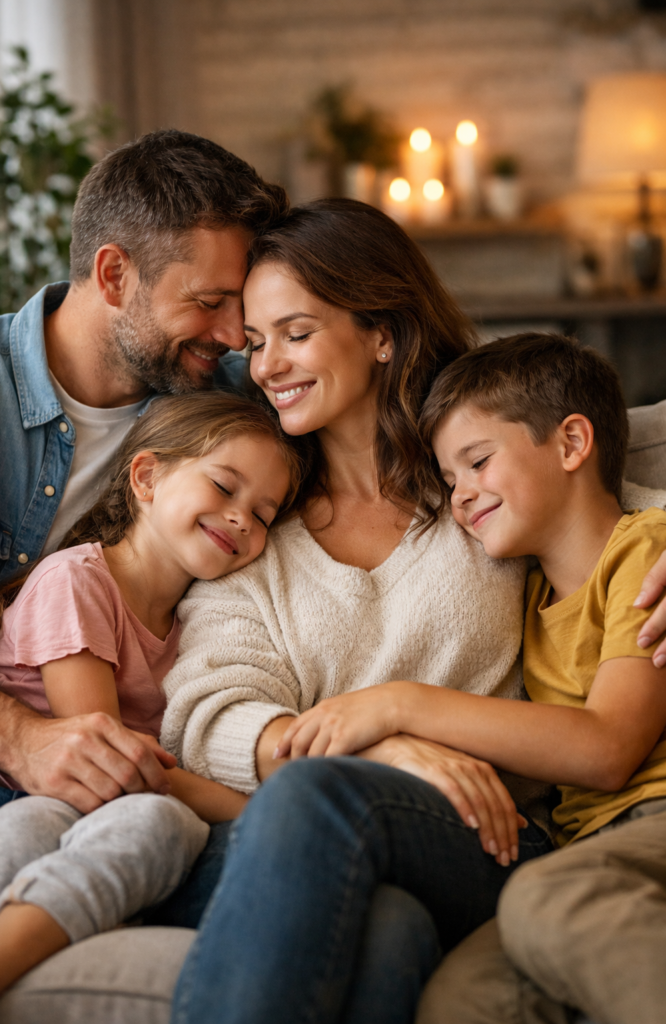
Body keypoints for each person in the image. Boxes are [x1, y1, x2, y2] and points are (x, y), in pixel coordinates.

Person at [159, 200, 556, 1024]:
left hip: (491, 838)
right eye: (257, 341)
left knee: (312, 794)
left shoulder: (480, 473)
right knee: (387, 933)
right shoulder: (254, 523)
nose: (267, 365)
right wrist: (384, 740)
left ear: (381, 331)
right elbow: (205, 716)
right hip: (329, 858)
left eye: (295, 333)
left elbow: (610, 502)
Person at [291, 331, 666, 1024]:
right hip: (587, 849)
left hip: (650, 822)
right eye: (449, 478)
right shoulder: (524, 596)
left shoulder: (645, 550)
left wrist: (399, 706)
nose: (461, 496)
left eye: (477, 462)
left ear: (571, 443)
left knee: (544, 899)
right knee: (465, 996)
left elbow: (605, 747)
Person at [0, 127, 288, 818]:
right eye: (210, 302)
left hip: (147, 790)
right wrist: (22, 738)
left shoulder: (230, 405)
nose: (235, 334)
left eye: (240, 307)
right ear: (115, 273)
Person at [0, 390, 299, 1009]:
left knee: (155, 824)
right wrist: (263, 809)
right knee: (145, 819)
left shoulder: (197, 625)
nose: (242, 519)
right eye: (224, 486)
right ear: (147, 476)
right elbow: (105, 763)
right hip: (26, 792)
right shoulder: (77, 582)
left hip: (82, 809)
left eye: (264, 514)